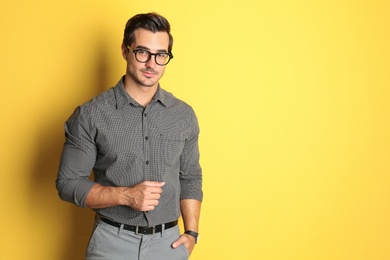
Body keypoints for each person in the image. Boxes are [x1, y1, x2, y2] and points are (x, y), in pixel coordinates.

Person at [56, 12, 202, 260]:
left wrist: (192, 233)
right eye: (142, 52)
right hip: (111, 242)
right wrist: (125, 196)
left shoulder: (183, 115)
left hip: (169, 245)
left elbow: (190, 177)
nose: (152, 64)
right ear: (125, 50)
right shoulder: (90, 115)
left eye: (161, 55)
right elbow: (68, 182)